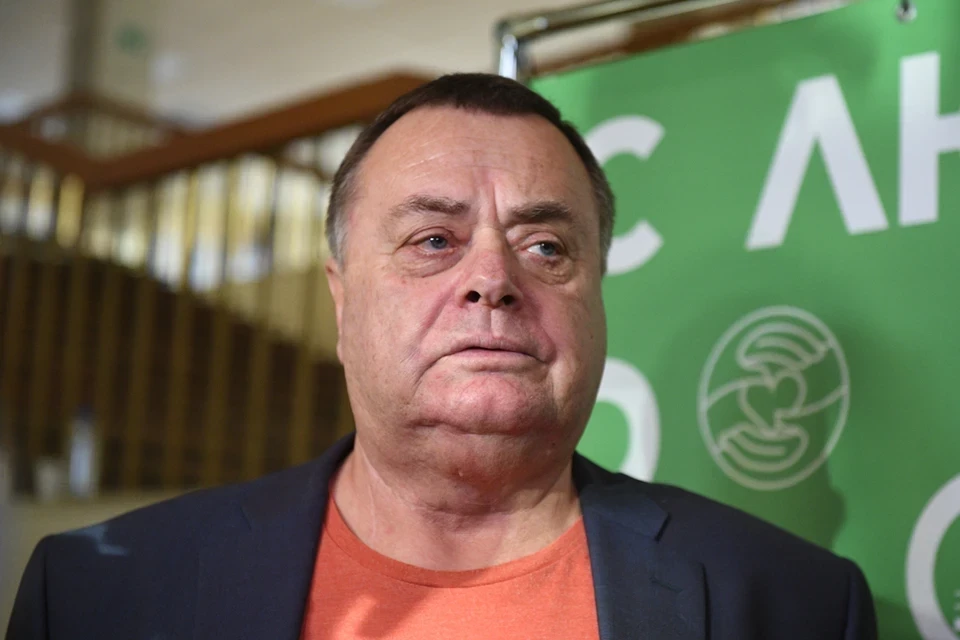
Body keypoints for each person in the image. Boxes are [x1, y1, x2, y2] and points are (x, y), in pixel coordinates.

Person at [6, 73, 877, 640]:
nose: (492, 280)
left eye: (545, 247)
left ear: (597, 295)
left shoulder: (791, 604)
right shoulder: (94, 598)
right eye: (433, 240)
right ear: (342, 299)